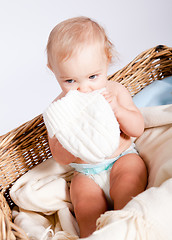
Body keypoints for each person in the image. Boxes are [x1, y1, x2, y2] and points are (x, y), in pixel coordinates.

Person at [45, 16, 147, 238]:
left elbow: (137, 128)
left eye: (93, 76)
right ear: (53, 70)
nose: (84, 88)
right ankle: (94, 235)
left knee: (130, 181)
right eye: (70, 81)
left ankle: (123, 227)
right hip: (85, 172)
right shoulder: (59, 110)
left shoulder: (115, 91)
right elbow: (59, 156)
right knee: (86, 207)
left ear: (107, 61)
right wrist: (72, 141)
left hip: (121, 159)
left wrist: (118, 111)